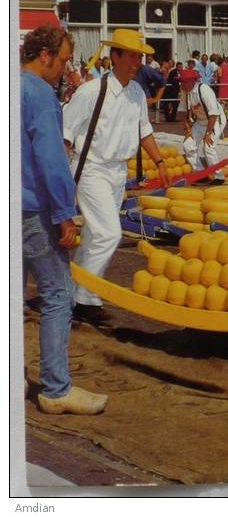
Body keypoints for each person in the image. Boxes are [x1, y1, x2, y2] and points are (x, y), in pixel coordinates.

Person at [21, 26, 108, 414]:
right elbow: (52, 160)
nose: (66, 67)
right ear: (45, 55)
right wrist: (64, 214)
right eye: (64, 59)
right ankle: (55, 388)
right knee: (58, 296)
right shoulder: (39, 94)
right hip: (34, 207)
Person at [63, 29, 169, 324]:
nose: (137, 62)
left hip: (117, 172)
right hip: (91, 169)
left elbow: (144, 131)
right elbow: (66, 134)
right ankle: (87, 298)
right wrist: (59, 176)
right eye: (131, 55)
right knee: (110, 232)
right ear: (115, 57)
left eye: (140, 56)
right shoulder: (91, 91)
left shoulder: (136, 92)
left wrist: (159, 160)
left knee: (97, 235)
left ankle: (76, 293)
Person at [181, 68, 227, 183]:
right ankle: (200, 173)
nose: (182, 84)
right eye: (181, 81)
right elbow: (181, 111)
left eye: (184, 81)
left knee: (208, 147)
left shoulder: (204, 90)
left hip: (216, 120)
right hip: (200, 121)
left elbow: (214, 113)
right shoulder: (184, 92)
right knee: (188, 144)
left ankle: (219, 176)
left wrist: (208, 133)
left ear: (192, 81)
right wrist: (188, 128)